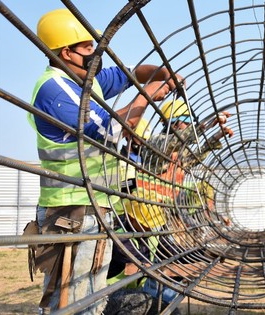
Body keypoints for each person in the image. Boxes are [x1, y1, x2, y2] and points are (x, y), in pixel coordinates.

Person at [30, 8, 182, 314]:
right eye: (87, 48)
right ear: (66, 53)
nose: (95, 54)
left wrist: (162, 74)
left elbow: (130, 73)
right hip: (68, 211)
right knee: (71, 302)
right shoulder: (55, 89)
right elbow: (111, 129)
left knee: (92, 299)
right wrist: (146, 96)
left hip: (94, 205)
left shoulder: (89, 81)